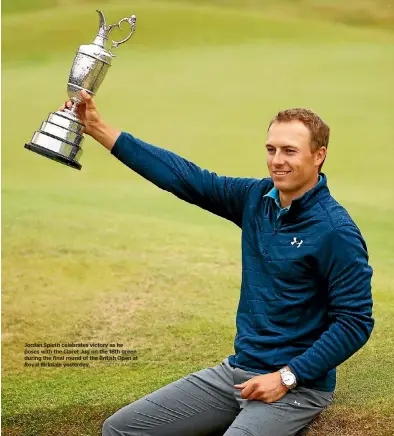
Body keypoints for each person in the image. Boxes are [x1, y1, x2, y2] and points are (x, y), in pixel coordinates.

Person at [61, 90, 374, 436]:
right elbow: (186, 178)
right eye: (271, 149)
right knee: (121, 429)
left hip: (298, 388)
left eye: (289, 151)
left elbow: (355, 322)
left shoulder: (336, 231)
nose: (276, 161)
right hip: (237, 374)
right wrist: (98, 128)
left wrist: (288, 376)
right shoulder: (256, 199)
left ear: (319, 156)